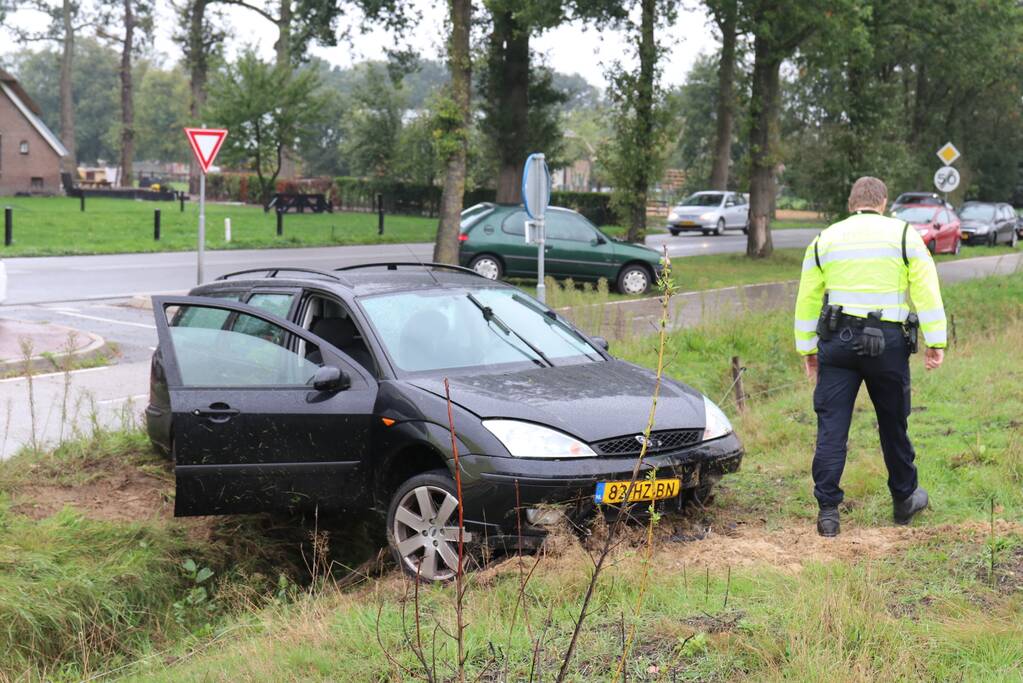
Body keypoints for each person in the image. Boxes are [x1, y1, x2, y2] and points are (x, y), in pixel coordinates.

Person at [793, 176, 946, 537]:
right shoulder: (904, 235)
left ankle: (828, 513)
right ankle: (904, 500)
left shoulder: (824, 239)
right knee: (893, 422)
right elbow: (926, 288)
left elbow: (807, 299)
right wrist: (936, 341)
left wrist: (807, 349)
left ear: (851, 203)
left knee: (832, 427)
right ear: (884, 202)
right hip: (887, 344)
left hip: (836, 341)